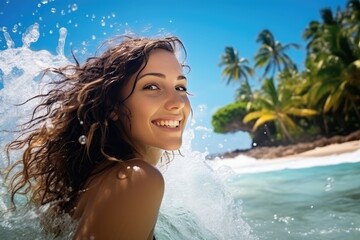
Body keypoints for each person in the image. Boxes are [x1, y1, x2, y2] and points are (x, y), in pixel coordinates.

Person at [4, 36, 191, 239]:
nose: (178, 102)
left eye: (180, 87)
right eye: (152, 87)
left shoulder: (99, 179)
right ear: (113, 106)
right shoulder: (136, 179)